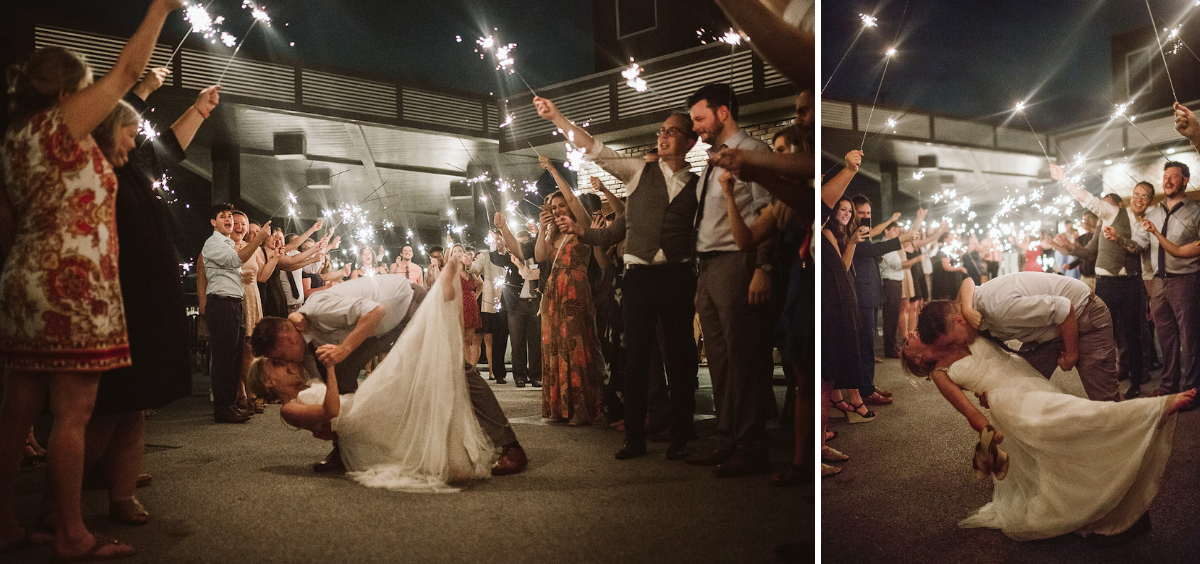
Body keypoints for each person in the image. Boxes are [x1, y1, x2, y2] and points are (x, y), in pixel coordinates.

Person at [0, 1, 181, 559]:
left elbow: (6, 227)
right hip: (73, 289)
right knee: (74, 415)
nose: (91, 101)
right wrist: (160, 8)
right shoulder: (59, 127)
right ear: (63, 94)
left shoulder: (12, 143)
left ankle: (5, 523)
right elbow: (125, 72)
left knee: (16, 413)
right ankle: (72, 532)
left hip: (23, 284)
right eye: (83, 89)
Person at [901, 299, 1194, 543]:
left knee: (1066, 436)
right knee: (1076, 415)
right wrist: (989, 434)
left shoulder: (959, 332)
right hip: (1010, 401)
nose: (911, 334)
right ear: (916, 359)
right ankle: (1152, 409)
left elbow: (963, 294)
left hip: (1029, 379)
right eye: (907, 341)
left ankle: (1090, 504)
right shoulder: (940, 375)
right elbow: (970, 413)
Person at [534, 94, 699, 459]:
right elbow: (594, 148)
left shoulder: (698, 185)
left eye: (674, 131)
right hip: (639, 277)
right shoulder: (639, 171)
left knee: (681, 357)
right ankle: (635, 437)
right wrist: (558, 116)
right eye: (662, 130)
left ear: (691, 141)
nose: (664, 136)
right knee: (637, 358)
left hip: (678, 276)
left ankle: (682, 437)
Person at [84, 74, 216, 525]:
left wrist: (199, 109)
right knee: (111, 402)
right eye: (129, 128)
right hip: (116, 298)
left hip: (147, 299)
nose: (137, 134)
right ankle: (65, 492)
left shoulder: (136, 165)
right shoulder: (91, 167)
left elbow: (171, 146)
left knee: (137, 401)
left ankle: (122, 495)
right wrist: (140, 87)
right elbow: (111, 111)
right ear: (105, 130)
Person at [248, 253, 495, 492]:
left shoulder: (318, 311)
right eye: (276, 362)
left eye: (279, 358)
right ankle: (343, 448)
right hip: (382, 329)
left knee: (448, 368)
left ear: (288, 338)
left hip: (403, 303)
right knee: (363, 387)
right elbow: (324, 399)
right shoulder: (306, 351)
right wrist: (322, 426)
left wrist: (343, 351)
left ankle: (506, 444)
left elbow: (376, 311)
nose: (285, 364)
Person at [916, 272, 1121, 402]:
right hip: (1048, 327)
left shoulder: (1000, 309)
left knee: (1105, 400)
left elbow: (1065, 309)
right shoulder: (964, 310)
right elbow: (966, 283)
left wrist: (1072, 355)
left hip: (1084, 315)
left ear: (959, 321)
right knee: (1022, 384)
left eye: (953, 342)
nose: (957, 345)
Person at [1050, 164, 1148, 399]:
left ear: (1117, 205)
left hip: (1129, 283)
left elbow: (1135, 247)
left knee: (1133, 335)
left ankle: (1136, 382)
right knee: (1104, 335)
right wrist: (1069, 246)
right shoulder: (1104, 222)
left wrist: (1064, 179)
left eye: (1106, 204)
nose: (1102, 208)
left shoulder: (1125, 217)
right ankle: (1108, 380)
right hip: (1105, 284)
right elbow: (1089, 253)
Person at [1124, 161, 1200, 397]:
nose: (1167, 180)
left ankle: (1192, 389)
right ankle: (1169, 386)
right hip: (1158, 283)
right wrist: (1119, 240)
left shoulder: (1196, 211)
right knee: (1164, 338)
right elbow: (1137, 246)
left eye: (1174, 176)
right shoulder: (1153, 213)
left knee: (1190, 339)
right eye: (1165, 176)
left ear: (1185, 180)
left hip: (1186, 280)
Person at [535, 163, 602, 426]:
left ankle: (580, 408)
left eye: (562, 206)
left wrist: (553, 172)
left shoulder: (582, 226)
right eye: (554, 208)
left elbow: (573, 198)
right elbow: (540, 256)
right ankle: (559, 407)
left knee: (575, 346)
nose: (558, 210)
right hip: (553, 292)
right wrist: (542, 228)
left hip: (574, 288)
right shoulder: (553, 234)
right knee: (554, 347)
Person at [201, 205, 274, 423]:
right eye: (223, 216)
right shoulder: (213, 243)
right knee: (225, 359)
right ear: (213, 222)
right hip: (221, 304)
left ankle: (231, 405)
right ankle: (223, 409)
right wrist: (259, 238)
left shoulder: (228, 244)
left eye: (230, 217)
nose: (229, 220)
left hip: (234, 303)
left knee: (234, 359)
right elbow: (236, 261)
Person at [492, 218, 541, 388]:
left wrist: (537, 231)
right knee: (517, 343)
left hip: (536, 302)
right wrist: (497, 246)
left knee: (536, 342)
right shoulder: (511, 259)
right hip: (516, 304)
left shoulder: (539, 255)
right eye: (517, 245)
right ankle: (519, 376)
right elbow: (498, 259)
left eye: (524, 245)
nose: (520, 250)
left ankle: (536, 376)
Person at [471, 235, 508, 384]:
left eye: (501, 239)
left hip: (510, 300)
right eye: (496, 239)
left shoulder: (512, 254)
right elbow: (476, 267)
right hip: (490, 301)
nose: (498, 242)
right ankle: (498, 373)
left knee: (503, 338)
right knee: (491, 338)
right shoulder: (485, 256)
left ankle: (501, 371)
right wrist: (467, 264)